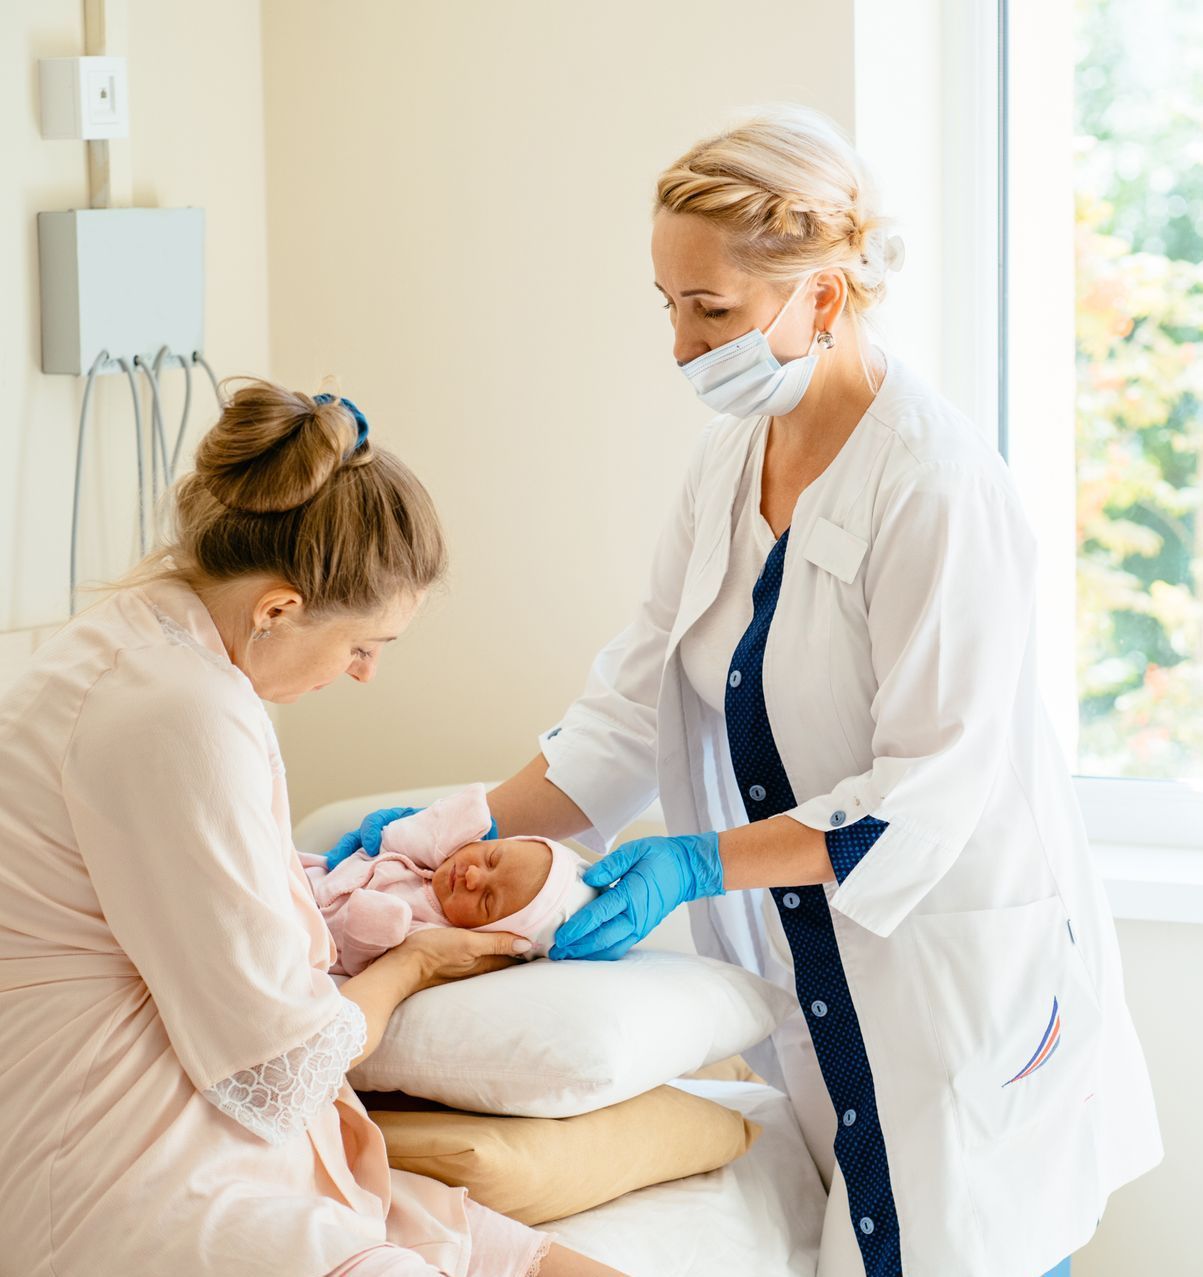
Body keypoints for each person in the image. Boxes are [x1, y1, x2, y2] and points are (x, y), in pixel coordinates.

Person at [334, 105, 1162, 1276]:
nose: (680, 346)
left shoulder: (937, 490)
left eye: (710, 309)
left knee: (970, 1241)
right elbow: (627, 710)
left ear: (822, 298)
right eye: (668, 304)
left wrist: (696, 858)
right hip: (825, 979)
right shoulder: (728, 465)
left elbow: (924, 797)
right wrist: (458, 824)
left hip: (957, 980)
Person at [0, 381, 626, 1277]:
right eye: (363, 646)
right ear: (279, 610)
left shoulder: (151, 654)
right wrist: (415, 962)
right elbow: (278, 1072)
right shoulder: (176, 708)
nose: (365, 672)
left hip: (181, 1126)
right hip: (116, 1158)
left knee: (527, 1257)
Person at [301, 784, 597, 974]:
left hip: (303, 934)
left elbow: (358, 963)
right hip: (301, 878)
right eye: (492, 858)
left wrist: (372, 930)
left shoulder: (429, 930)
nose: (472, 875)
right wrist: (417, 828)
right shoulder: (435, 857)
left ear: (488, 932)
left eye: (486, 900)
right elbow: (437, 821)